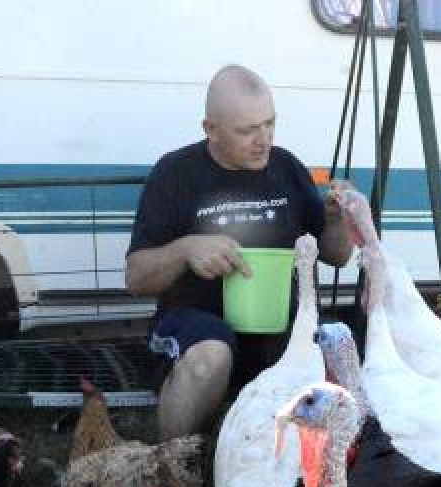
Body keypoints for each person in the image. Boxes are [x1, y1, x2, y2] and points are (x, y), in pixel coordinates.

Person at [125, 64, 354, 440]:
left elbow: (337, 255)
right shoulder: (175, 173)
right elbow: (135, 276)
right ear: (210, 130)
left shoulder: (286, 167)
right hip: (197, 323)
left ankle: (313, 473)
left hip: (282, 325)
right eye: (247, 130)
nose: (263, 139)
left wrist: (336, 218)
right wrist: (186, 249)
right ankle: (174, 466)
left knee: (343, 350)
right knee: (209, 357)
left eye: (269, 124)